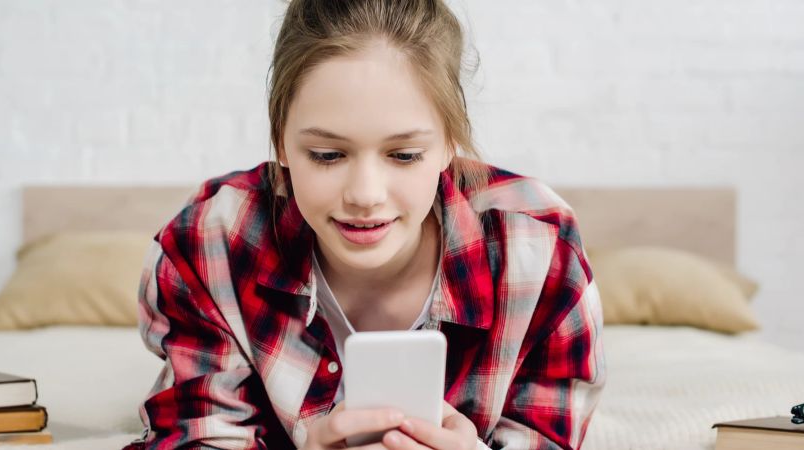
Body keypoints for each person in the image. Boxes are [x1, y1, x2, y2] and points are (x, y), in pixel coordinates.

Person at [123, 1, 605, 449]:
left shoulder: (538, 250)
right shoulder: (210, 242)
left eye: (404, 155)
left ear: (449, 145)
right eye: (327, 155)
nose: (365, 195)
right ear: (281, 143)